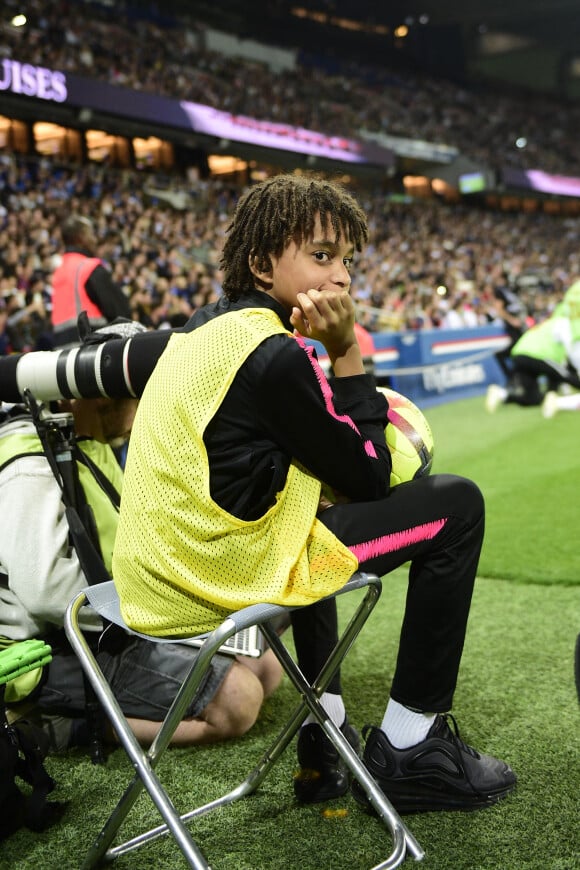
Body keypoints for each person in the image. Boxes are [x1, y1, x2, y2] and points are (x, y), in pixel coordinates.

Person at [113, 174, 516, 814]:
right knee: (458, 505)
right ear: (260, 263)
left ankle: (321, 740)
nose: (343, 276)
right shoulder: (273, 355)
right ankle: (414, 752)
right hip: (214, 575)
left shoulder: (201, 330)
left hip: (150, 579)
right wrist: (346, 348)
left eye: (347, 261)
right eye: (322, 256)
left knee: (305, 511)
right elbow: (370, 475)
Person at [0, 320, 282, 751]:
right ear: (102, 394)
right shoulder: (28, 459)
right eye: (142, 392)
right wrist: (157, 616)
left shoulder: (89, 441)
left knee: (267, 667)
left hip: (103, 620)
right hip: (49, 649)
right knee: (239, 701)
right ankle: (76, 727)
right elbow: (48, 594)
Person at [486, 280, 580, 412]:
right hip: (537, 355)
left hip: (518, 354)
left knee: (533, 398)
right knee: (563, 375)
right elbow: (569, 349)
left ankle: (502, 394)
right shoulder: (561, 323)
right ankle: (557, 401)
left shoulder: (548, 322)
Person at [50, 216, 131, 348]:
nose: (95, 240)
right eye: (92, 234)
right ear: (81, 237)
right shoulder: (88, 267)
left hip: (62, 354)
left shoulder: (58, 272)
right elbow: (120, 311)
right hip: (93, 350)